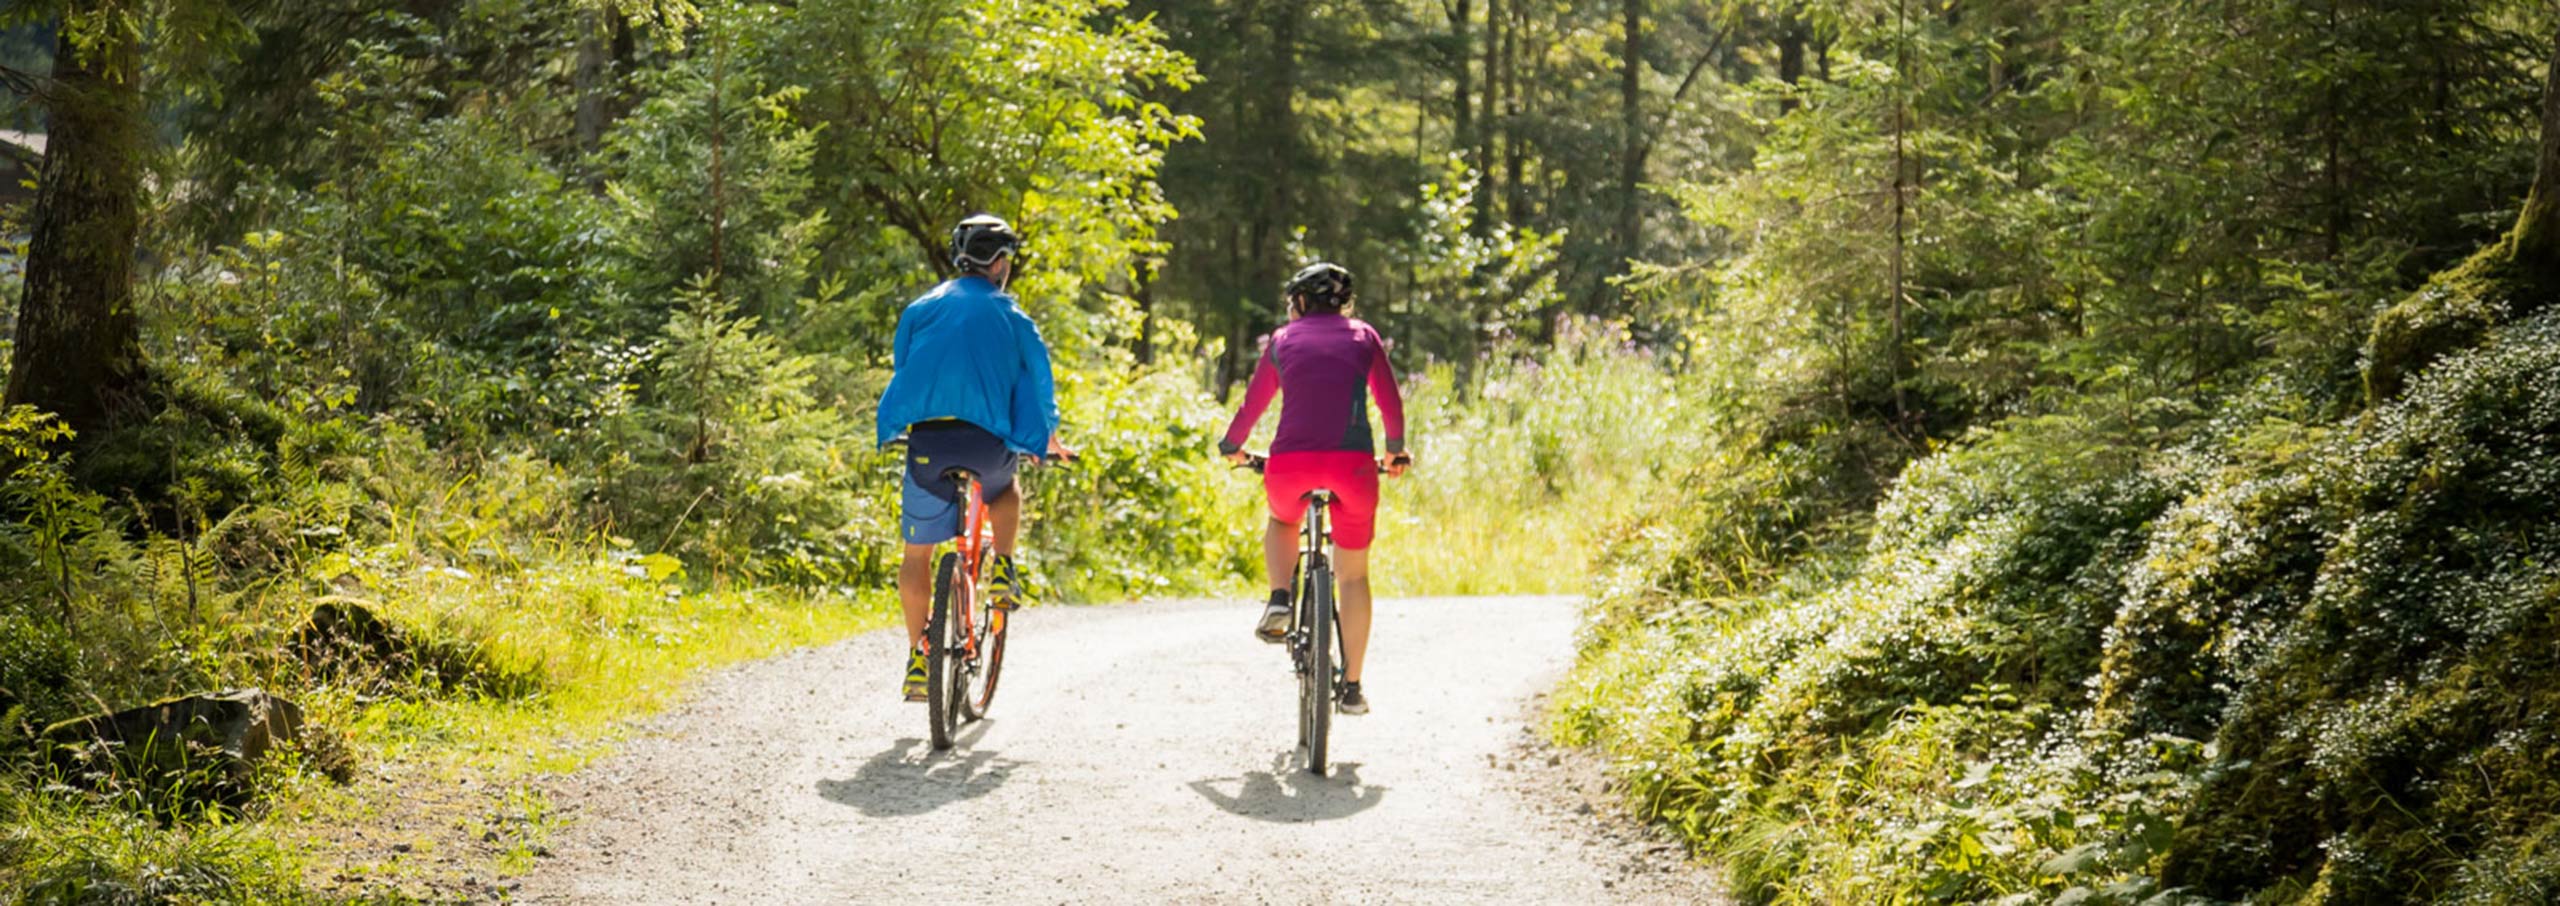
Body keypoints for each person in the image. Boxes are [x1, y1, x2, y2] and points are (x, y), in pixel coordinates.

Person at [876, 213, 1071, 702]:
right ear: (1000, 263)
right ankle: (1003, 568)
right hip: (987, 442)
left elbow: (905, 367)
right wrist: (1045, 434)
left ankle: (919, 659)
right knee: (1005, 488)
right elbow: (1039, 377)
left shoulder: (920, 308)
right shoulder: (1012, 314)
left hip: (928, 442)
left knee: (916, 554)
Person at [1218, 262, 1411, 716]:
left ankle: (1281, 597)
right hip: (1354, 467)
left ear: (1300, 301)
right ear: (1344, 303)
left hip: (1291, 466)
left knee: (1283, 519)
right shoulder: (1365, 336)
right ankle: (1352, 686)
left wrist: (1233, 447)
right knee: (1355, 575)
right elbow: (1389, 400)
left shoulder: (1284, 339)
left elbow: (1253, 403)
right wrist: (1395, 452)